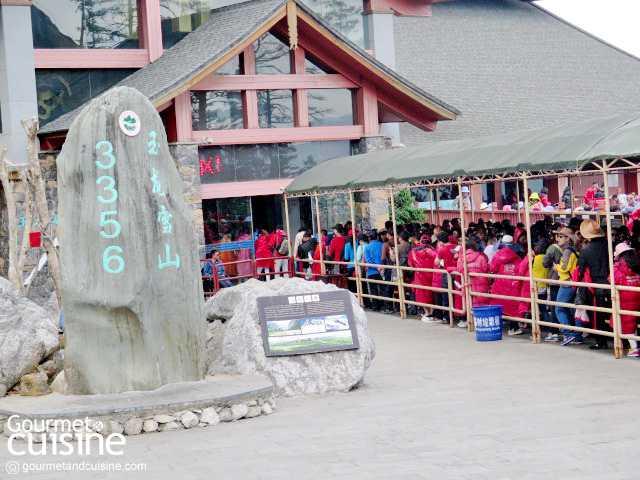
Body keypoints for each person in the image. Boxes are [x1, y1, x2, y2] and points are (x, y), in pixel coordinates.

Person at [577, 219, 611, 349]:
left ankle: (601, 342)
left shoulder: (585, 251)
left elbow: (581, 270)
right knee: (616, 312)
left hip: (596, 286)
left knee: (598, 315)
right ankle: (624, 340)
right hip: (611, 282)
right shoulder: (609, 245)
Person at [548, 228, 581, 345]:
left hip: (566, 283)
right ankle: (577, 335)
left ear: (568, 238)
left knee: (559, 308)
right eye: (558, 236)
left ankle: (568, 334)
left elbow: (565, 267)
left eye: (561, 236)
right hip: (573, 282)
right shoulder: (575, 249)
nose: (558, 239)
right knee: (573, 309)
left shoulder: (567, 250)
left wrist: (557, 267)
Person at [449, 238, 490, 328]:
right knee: (482, 302)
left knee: (469, 302)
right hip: (481, 282)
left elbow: (460, 269)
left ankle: (471, 322)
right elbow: (485, 269)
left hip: (468, 283)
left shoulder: (461, 258)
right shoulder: (480, 257)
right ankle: (481, 322)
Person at [489, 235, 524, 335]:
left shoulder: (497, 255)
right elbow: (521, 269)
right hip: (513, 285)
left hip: (500, 284)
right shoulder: (517, 254)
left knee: (498, 304)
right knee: (513, 306)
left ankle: (495, 325)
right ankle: (514, 328)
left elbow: (493, 269)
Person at [610, 244, 640, 356]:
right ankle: (634, 347)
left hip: (625, 297)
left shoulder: (618, 266)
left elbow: (612, 279)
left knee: (626, 323)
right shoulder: (636, 263)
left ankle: (634, 348)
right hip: (637, 294)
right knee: (633, 321)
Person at [408, 235, 437, 322]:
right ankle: (432, 312)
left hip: (419, 275)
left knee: (422, 293)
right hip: (432, 274)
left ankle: (426, 312)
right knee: (431, 293)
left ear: (421, 241)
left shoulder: (414, 251)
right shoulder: (432, 250)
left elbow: (410, 263)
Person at [365, 230, 385, 312]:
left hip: (372, 271)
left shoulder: (367, 247)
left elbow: (368, 261)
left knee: (373, 290)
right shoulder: (383, 245)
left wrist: (376, 267)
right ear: (377, 237)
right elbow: (385, 259)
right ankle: (383, 305)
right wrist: (381, 268)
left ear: (369, 238)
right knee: (382, 289)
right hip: (383, 271)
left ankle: (375, 307)